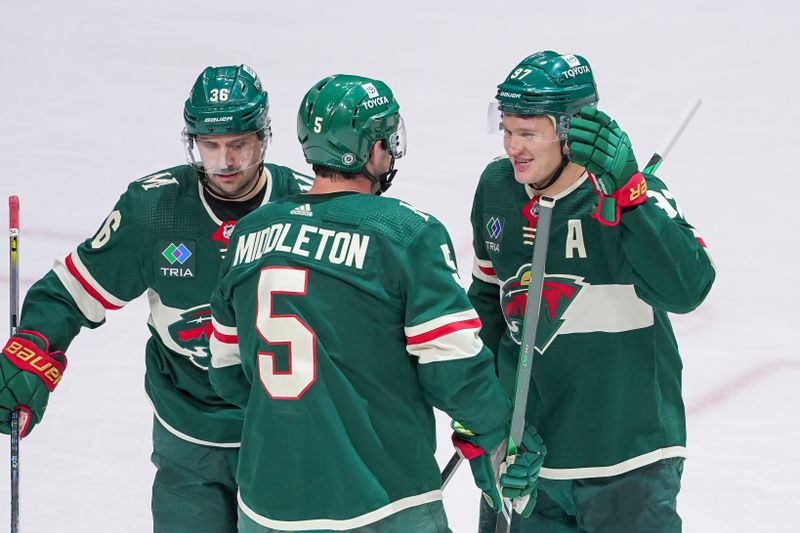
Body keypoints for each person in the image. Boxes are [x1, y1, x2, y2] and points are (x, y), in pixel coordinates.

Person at [208, 73, 545, 533]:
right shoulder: (406, 233)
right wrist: (500, 434)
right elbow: (454, 371)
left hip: (267, 505)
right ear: (371, 151)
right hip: (381, 505)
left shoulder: (250, 233)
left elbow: (227, 373)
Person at [0, 64, 313, 532]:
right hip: (188, 430)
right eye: (210, 146)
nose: (224, 162)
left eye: (237, 145)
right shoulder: (154, 211)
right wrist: (33, 348)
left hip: (283, 434)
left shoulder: (307, 209)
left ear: (264, 139)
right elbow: (68, 292)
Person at [469, 50, 716, 532]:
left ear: (571, 130)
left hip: (629, 463)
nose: (512, 147)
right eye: (508, 130)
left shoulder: (633, 195)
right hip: (527, 466)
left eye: (528, 133)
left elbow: (688, 289)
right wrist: (491, 428)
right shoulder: (496, 187)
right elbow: (486, 314)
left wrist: (630, 199)